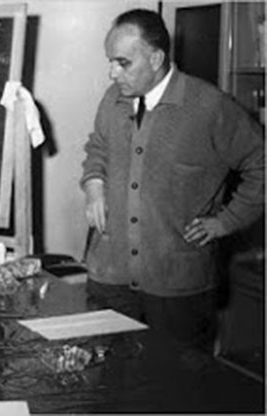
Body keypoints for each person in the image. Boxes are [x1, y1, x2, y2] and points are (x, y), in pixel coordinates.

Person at [81, 9, 264, 352]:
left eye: (123, 62)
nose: (112, 73)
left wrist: (226, 222)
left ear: (156, 58)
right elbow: (98, 148)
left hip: (179, 292)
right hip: (110, 280)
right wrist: (94, 184)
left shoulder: (209, 107)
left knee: (175, 393)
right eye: (110, 61)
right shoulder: (112, 98)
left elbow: (262, 163)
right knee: (107, 391)